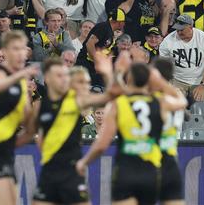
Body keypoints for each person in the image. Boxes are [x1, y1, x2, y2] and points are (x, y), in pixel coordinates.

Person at [76, 61, 187, 205]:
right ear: (149, 80)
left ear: (130, 79)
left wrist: (84, 162)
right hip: (151, 171)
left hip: (125, 171)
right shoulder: (160, 102)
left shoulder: (118, 104)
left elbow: (102, 144)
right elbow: (182, 101)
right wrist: (159, 81)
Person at [25, 55, 119, 205]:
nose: (63, 79)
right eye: (58, 75)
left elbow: (111, 95)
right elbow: (36, 135)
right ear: (47, 78)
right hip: (49, 173)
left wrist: (108, 73)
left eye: (64, 75)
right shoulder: (41, 106)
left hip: (71, 172)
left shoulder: (76, 100)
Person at [0, 30, 39, 205]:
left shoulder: (21, 85)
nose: (20, 53)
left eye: (22, 48)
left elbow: (28, 124)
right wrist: (19, 75)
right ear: (5, 51)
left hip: (5, 151)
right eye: (15, 48)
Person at [159, 14, 204, 103]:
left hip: (200, 81)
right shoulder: (168, 41)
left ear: (190, 27)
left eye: (182, 29)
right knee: (172, 109)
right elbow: (163, 66)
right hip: (177, 81)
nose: (179, 32)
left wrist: (202, 85)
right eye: (177, 29)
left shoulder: (203, 38)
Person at [76, 9, 126, 88]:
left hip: (91, 66)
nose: (124, 24)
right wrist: (98, 62)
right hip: (85, 63)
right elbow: (90, 43)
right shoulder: (103, 27)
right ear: (120, 22)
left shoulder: (109, 30)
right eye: (124, 22)